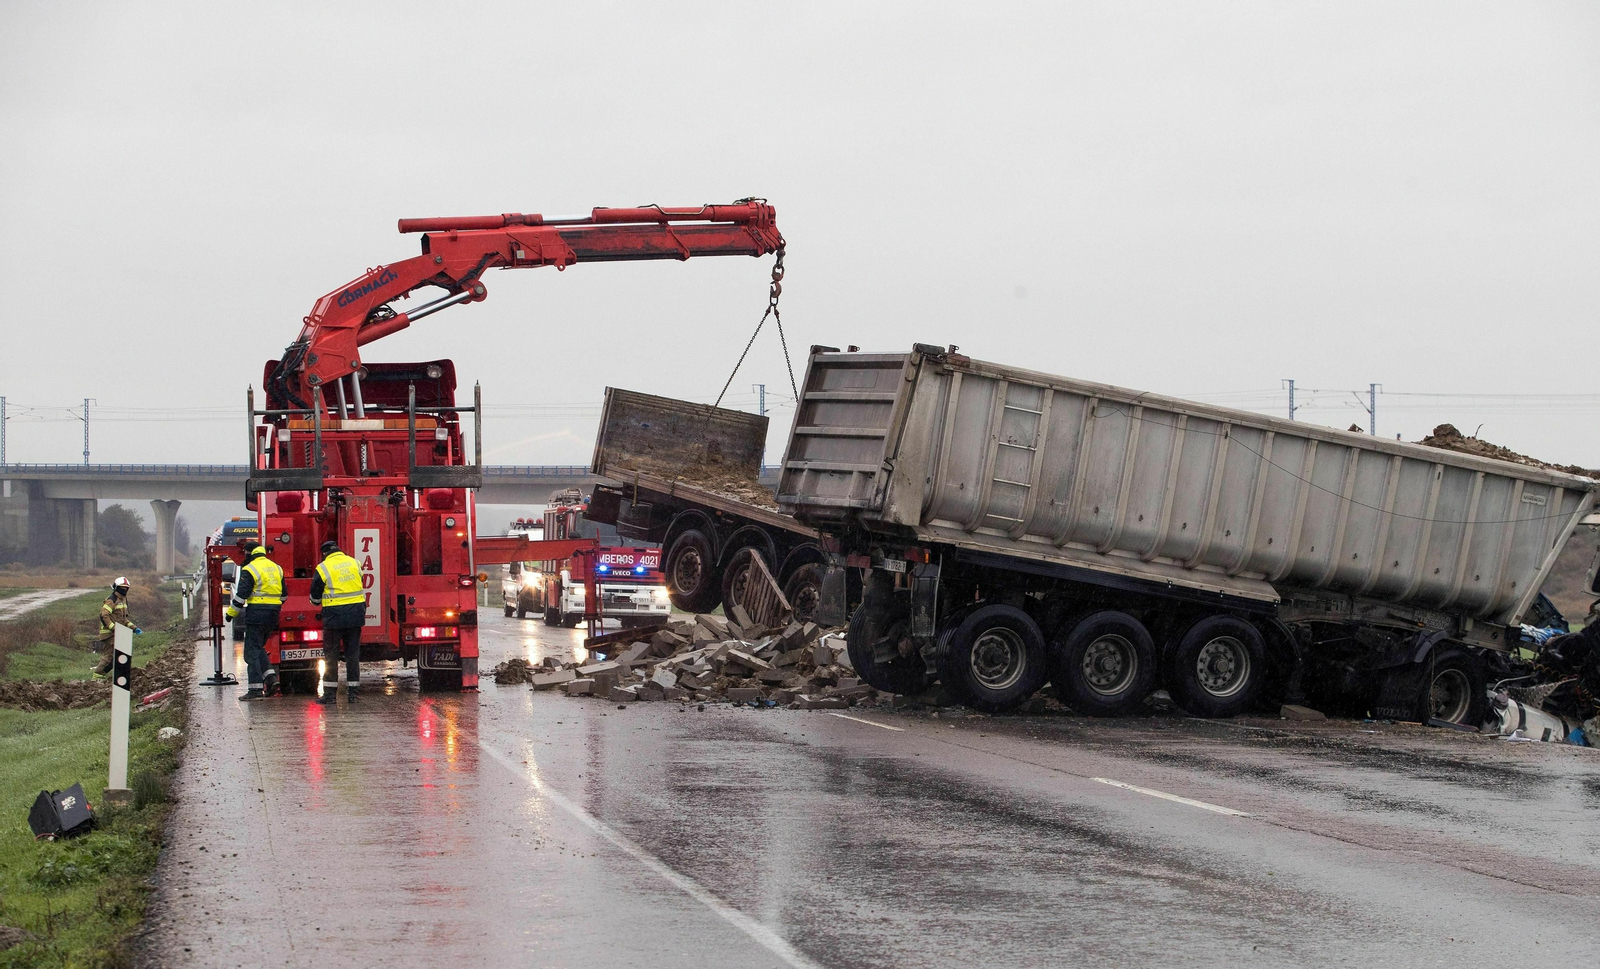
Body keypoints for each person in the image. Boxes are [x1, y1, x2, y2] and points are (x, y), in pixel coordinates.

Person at [310, 540, 366, 705]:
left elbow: (314, 597)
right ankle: (353, 695)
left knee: (331, 657)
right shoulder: (354, 563)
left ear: (325, 553)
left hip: (334, 619)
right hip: (356, 616)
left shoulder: (323, 568)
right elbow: (359, 582)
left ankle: (330, 696)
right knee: (352, 656)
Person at [226, 542, 284, 700]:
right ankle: (272, 680)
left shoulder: (250, 569)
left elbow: (241, 596)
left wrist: (230, 614)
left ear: (249, 553)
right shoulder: (276, 568)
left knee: (251, 653)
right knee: (258, 648)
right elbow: (284, 594)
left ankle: (255, 690)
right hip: (273, 615)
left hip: (256, 615)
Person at [92, 577, 141, 676]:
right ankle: (98, 675)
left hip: (118, 633)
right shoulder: (112, 600)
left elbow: (123, 619)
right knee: (110, 656)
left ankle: (119, 676)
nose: (124, 590)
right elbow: (103, 615)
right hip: (109, 634)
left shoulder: (122, 601)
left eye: (126, 588)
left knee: (119, 656)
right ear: (116, 587)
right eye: (122, 588)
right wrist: (113, 628)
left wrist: (134, 628)